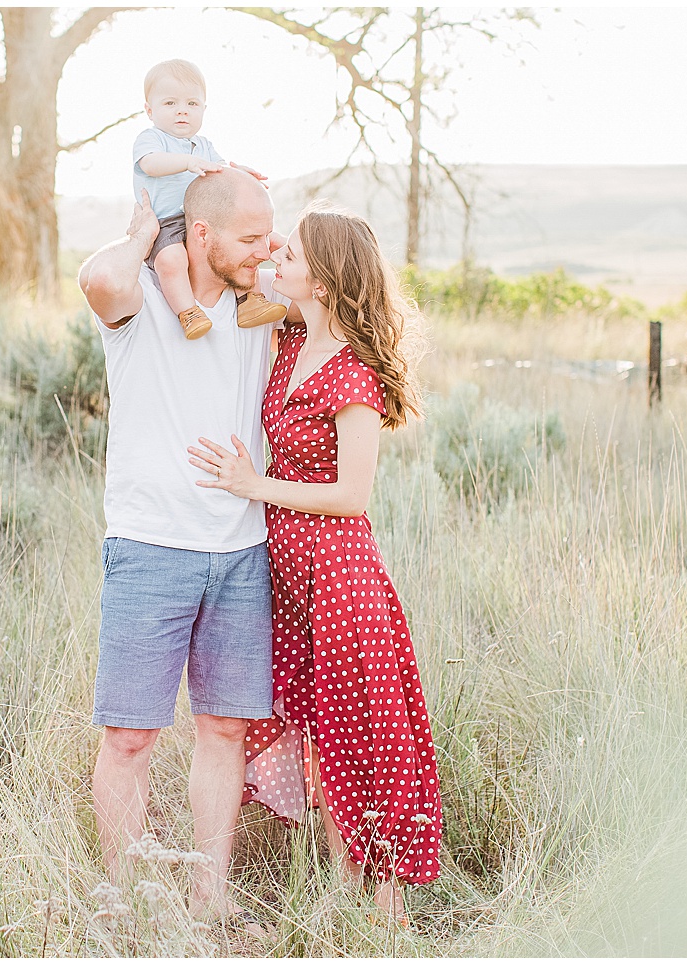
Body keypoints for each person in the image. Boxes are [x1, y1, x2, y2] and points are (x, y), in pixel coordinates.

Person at [186, 203, 443, 926]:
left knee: (362, 734)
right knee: (320, 739)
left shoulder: (354, 375)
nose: (275, 257)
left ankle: (386, 912)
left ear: (325, 281)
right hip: (289, 575)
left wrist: (251, 485)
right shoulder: (289, 338)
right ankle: (340, 897)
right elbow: (236, 283)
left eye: (290, 253)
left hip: (339, 575)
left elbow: (352, 495)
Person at [77, 167, 293, 926]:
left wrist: (257, 216)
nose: (264, 248)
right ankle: (128, 897)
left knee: (224, 728)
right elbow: (97, 276)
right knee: (132, 735)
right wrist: (145, 228)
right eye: (249, 235)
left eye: (270, 235)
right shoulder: (141, 305)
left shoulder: (260, 307)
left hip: (241, 549)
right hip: (150, 545)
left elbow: (333, 278)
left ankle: (209, 896)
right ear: (199, 234)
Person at [133, 59, 287, 340]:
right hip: (166, 221)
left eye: (192, 103)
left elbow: (219, 172)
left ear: (204, 108)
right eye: (170, 103)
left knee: (237, 247)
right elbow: (150, 165)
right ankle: (188, 312)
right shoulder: (151, 139)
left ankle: (250, 301)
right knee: (172, 259)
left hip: (203, 215)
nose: (182, 110)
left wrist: (239, 172)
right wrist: (188, 162)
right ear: (149, 110)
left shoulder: (203, 145)